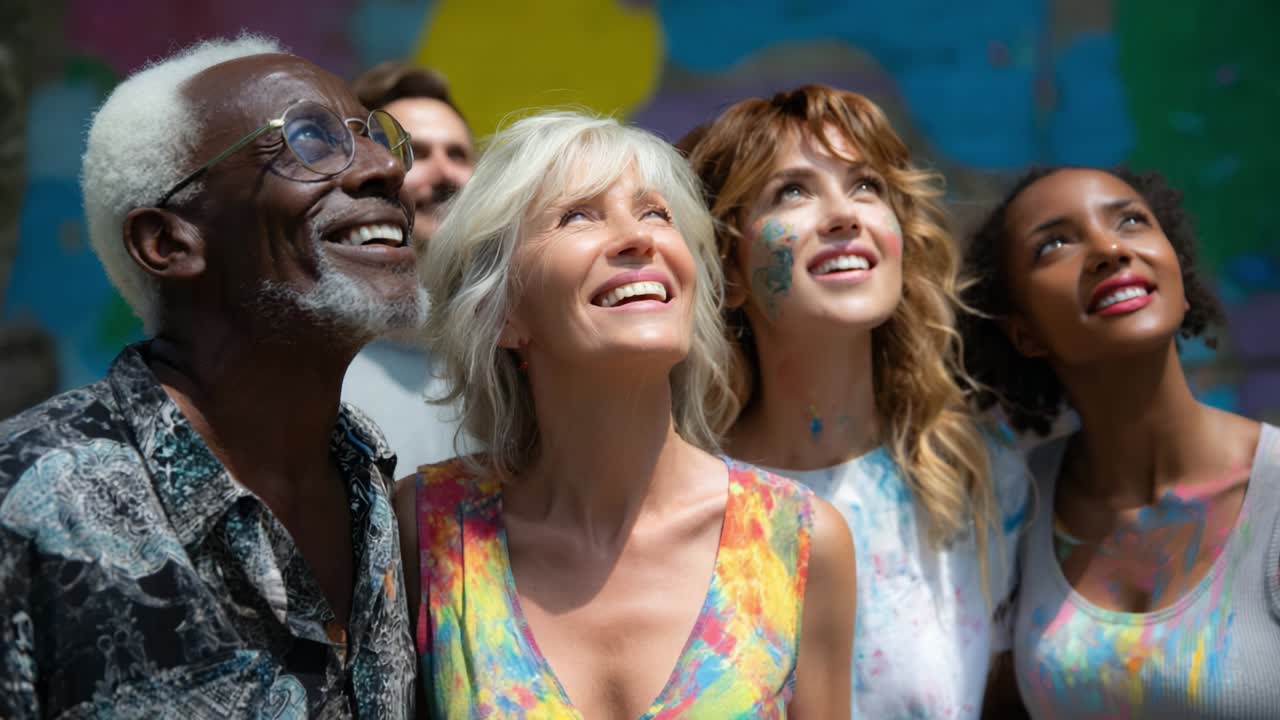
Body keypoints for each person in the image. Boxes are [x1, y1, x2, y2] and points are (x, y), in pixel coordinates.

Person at [0, 35, 421, 717]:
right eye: (308, 139)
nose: (386, 170)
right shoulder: (28, 502)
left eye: (375, 136)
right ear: (169, 241)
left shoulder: (374, 484)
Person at [399, 110, 856, 718]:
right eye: (577, 215)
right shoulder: (423, 532)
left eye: (656, 213)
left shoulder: (800, 541)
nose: (640, 238)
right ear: (502, 311)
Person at [682, 84, 1030, 719]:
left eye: (866, 185)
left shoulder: (979, 481)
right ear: (728, 271)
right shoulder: (679, 507)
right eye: (792, 190)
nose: (845, 215)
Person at [962, 166, 1280, 718]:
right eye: (1055, 243)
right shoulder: (1017, 506)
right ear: (1023, 333)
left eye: (1131, 221)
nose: (1109, 248)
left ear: (1179, 277)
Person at [342, 61, 476, 471]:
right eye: (414, 153)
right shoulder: (307, 361)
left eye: (458, 154)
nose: (446, 173)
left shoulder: (514, 358)